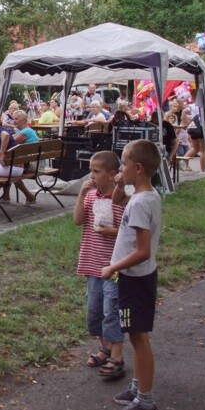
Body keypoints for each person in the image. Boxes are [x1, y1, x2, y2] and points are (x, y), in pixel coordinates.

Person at [101, 139, 163, 410]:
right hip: (138, 277)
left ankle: (146, 403)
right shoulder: (145, 195)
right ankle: (139, 388)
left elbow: (142, 251)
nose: (119, 169)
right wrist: (119, 184)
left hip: (135, 280)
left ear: (137, 168)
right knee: (136, 336)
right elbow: (117, 201)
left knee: (138, 338)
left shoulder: (140, 203)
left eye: (123, 164)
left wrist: (112, 267)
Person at [73, 151, 127, 378]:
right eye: (90, 171)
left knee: (111, 310)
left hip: (114, 266)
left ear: (112, 174)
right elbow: (78, 220)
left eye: (96, 171)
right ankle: (105, 347)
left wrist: (111, 231)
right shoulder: (91, 197)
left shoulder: (121, 199)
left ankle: (117, 356)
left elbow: (128, 231)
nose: (91, 176)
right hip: (92, 262)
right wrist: (81, 194)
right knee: (94, 311)